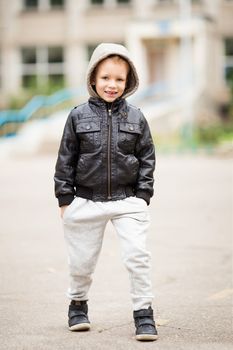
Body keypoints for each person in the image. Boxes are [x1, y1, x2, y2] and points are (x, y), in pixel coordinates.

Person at [54, 43, 157, 341]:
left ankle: (143, 312)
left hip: (128, 200)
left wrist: (143, 195)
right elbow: (66, 158)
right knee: (81, 261)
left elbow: (147, 157)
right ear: (93, 79)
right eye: (105, 78)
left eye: (119, 79)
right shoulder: (77, 116)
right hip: (85, 200)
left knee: (138, 256)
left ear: (128, 83)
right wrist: (65, 199)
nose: (112, 85)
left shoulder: (136, 117)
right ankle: (77, 304)